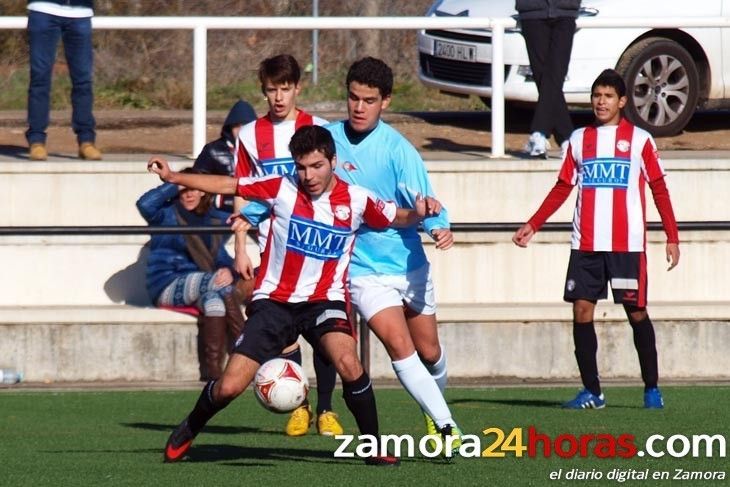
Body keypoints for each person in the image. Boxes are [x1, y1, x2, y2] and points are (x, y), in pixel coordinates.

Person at [151, 125, 437, 466]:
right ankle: (191, 426)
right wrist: (173, 176)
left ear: (333, 161)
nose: (308, 175)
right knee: (229, 387)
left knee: (350, 363)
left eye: (316, 166)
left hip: (324, 300)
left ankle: (372, 445)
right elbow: (228, 184)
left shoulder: (357, 199)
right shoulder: (281, 188)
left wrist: (418, 214)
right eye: (301, 167)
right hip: (275, 303)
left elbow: (395, 217)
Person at [512, 69, 680, 409]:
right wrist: (534, 223)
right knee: (582, 310)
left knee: (636, 312)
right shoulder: (578, 140)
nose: (600, 102)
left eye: (607, 96)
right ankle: (593, 391)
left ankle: (651, 388)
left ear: (621, 101)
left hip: (626, 245)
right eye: (596, 96)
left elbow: (659, 187)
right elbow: (563, 186)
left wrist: (672, 236)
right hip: (586, 244)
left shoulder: (640, 140)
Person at [325, 56, 462, 448]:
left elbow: (427, 202)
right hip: (362, 269)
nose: (359, 107)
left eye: (369, 100)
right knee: (399, 345)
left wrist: (438, 227)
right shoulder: (327, 139)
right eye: (353, 98)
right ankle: (448, 427)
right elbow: (297, 176)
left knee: (429, 352)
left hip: (407, 264)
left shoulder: (398, 151)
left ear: (385, 101)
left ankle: (432, 411)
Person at [232, 54, 339, 438]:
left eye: (284, 88)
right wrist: (241, 245)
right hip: (273, 250)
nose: (278, 97)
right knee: (284, 330)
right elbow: (241, 193)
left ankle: (327, 408)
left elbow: (335, 186)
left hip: (317, 246)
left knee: (324, 330)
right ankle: (301, 406)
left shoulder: (318, 129)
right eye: (271, 89)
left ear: (297, 88)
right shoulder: (248, 135)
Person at [136, 168, 245, 380]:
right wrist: (175, 181)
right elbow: (145, 204)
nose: (188, 194)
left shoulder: (213, 219)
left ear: (204, 191)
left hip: (205, 285)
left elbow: (220, 258)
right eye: (183, 189)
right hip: (166, 283)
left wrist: (230, 270)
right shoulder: (165, 214)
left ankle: (212, 372)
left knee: (215, 303)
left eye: (194, 188)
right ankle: (247, 352)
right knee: (220, 284)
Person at [26, 0, 102, 161]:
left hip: (80, 12)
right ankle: (37, 140)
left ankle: (86, 141)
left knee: (83, 80)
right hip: (43, 9)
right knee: (40, 78)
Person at [516, 0, 580, 158]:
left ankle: (540, 133)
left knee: (555, 74)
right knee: (545, 76)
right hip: (533, 11)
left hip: (565, 10)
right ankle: (566, 139)